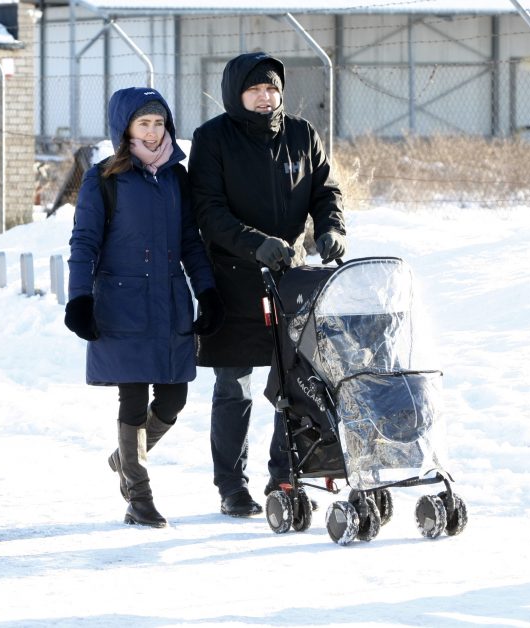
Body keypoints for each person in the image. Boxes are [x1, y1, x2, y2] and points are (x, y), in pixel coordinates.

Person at [188, 52, 346, 517]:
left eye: (272, 88)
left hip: (291, 279)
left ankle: (285, 472)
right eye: (255, 89)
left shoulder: (302, 134)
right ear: (237, 93)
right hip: (234, 278)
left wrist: (331, 227)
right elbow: (208, 210)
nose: (265, 96)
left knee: (293, 385)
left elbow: (326, 190)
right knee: (233, 387)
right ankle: (231, 486)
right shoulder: (212, 139)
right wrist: (253, 243)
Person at [64, 87, 223, 528]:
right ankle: (139, 496)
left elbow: (191, 242)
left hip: (170, 304)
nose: (153, 133)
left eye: (159, 123)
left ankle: (126, 457)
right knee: (132, 398)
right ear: (125, 129)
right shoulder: (103, 179)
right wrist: (79, 299)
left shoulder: (178, 177)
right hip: (122, 304)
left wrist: (206, 291)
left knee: (174, 397)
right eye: (143, 123)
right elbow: (84, 244)